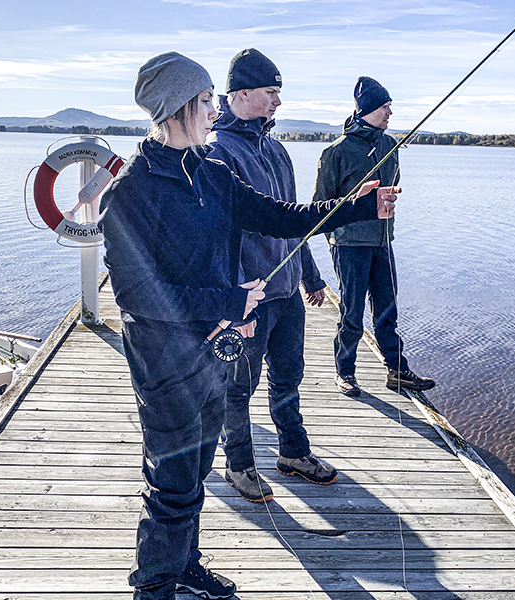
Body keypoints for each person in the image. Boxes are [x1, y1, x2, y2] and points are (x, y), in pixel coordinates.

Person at [98, 52, 398, 600]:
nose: (215, 111)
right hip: (163, 362)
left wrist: (355, 207)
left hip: (215, 355)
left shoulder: (213, 175)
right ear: (179, 108)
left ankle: (184, 565)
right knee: (171, 485)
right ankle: (153, 587)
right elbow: (137, 296)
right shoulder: (129, 194)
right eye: (207, 101)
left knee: (197, 469)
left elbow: (283, 216)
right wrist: (230, 299)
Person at [207, 48, 336, 503]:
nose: (279, 101)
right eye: (271, 92)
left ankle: (293, 454)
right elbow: (219, 239)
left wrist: (312, 275)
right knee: (237, 386)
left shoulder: (277, 149)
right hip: (249, 299)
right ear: (241, 94)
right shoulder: (217, 151)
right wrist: (233, 302)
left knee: (289, 377)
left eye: (279, 92)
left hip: (287, 294)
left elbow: (295, 221)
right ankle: (239, 465)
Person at [312, 76, 435, 397]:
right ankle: (346, 372)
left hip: (383, 242)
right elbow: (318, 207)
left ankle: (397, 371)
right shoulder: (336, 152)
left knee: (387, 309)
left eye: (390, 105)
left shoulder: (389, 146)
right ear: (367, 109)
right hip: (349, 245)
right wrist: (337, 237)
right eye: (385, 106)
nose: (390, 112)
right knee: (352, 312)